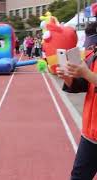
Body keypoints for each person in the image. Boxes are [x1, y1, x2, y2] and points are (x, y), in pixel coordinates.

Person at [56, 22, 97, 180]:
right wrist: (68, 78)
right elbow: (85, 84)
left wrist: (86, 73)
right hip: (90, 133)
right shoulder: (93, 54)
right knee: (78, 176)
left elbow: (88, 76)